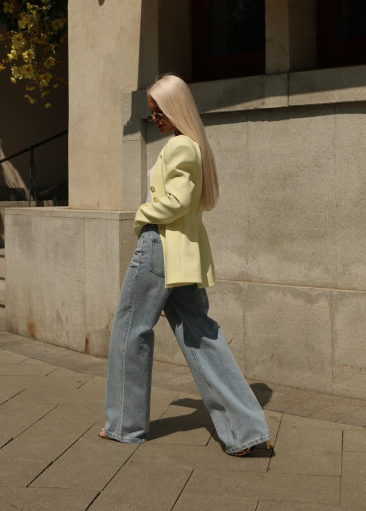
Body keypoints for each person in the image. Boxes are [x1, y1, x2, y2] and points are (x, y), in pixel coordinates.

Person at [100, 74, 270, 456]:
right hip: (182, 255)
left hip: (159, 245)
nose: (155, 118)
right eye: (152, 112)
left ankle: (125, 425)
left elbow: (176, 203)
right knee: (201, 336)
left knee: (130, 329)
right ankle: (244, 431)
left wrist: (142, 214)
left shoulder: (180, 147)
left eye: (159, 111)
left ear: (176, 108)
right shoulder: (193, 146)